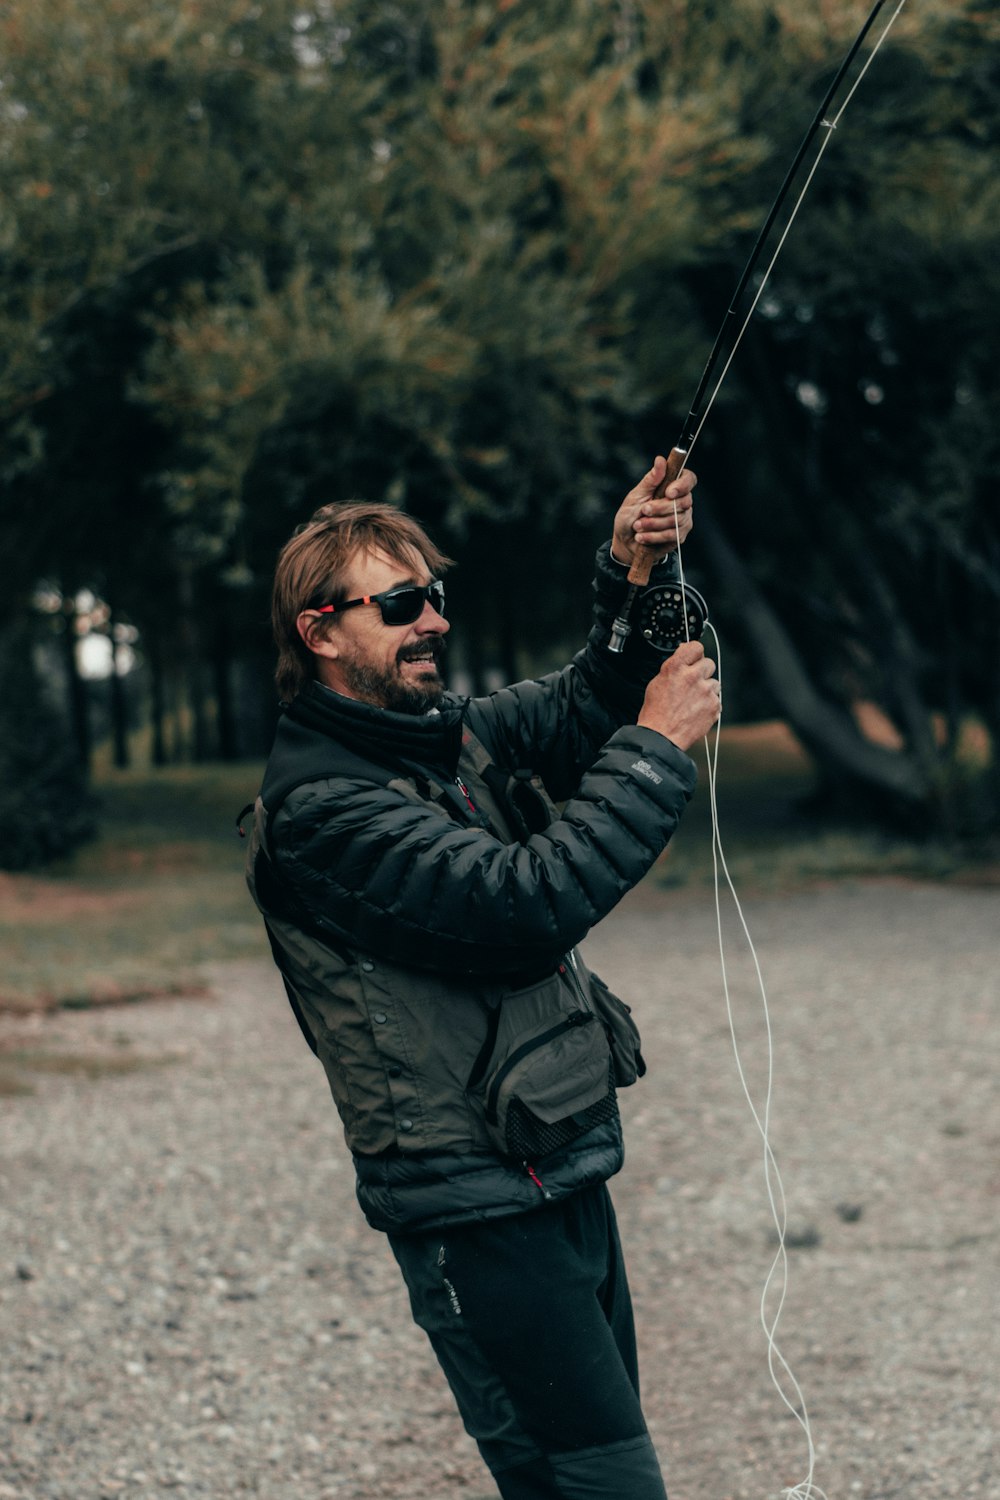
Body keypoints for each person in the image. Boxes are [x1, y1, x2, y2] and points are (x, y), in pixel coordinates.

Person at [245, 456, 722, 1500]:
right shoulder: (325, 810)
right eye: (400, 604)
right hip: (477, 1210)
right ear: (319, 632)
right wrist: (654, 749)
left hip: (549, 1164)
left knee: (598, 1471)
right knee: (596, 1483)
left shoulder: (430, 739)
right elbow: (523, 905)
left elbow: (571, 710)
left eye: (434, 598)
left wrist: (627, 570)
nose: (432, 623)